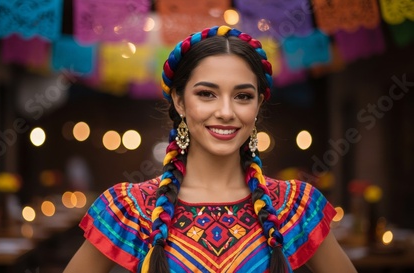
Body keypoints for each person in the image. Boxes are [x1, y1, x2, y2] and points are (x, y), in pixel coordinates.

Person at [64, 25, 357, 273]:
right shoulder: (129, 210)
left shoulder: (297, 208)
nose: (226, 112)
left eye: (243, 96)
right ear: (179, 101)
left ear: (257, 106)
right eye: (207, 94)